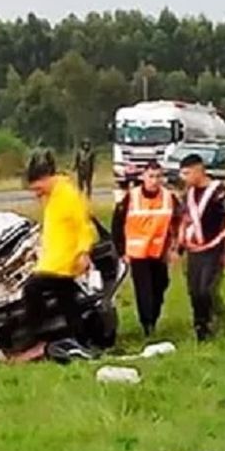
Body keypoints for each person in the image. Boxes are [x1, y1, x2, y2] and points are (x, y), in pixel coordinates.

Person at [17, 149, 96, 359]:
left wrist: (84, 253)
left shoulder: (68, 195)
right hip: (54, 259)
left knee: (32, 289)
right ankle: (79, 340)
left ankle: (36, 333)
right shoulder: (51, 196)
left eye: (37, 187)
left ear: (46, 178)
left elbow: (83, 225)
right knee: (68, 302)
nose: (35, 192)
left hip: (61, 262)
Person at [111, 164, 182, 337]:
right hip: (138, 253)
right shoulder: (131, 197)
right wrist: (121, 252)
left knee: (161, 285)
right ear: (143, 177)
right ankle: (147, 325)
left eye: (158, 176)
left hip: (160, 252)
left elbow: (179, 223)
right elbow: (117, 225)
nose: (154, 181)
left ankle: (153, 317)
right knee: (144, 290)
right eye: (151, 176)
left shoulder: (169, 198)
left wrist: (176, 249)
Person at [178, 153, 225, 341]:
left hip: (215, 247)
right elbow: (185, 219)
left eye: (187, 173)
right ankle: (201, 327)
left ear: (199, 171)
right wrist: (179, 242)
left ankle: (216, 320)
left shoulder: (220, 191)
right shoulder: (187, 194)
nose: (184, 178)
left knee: (207, 289)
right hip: (195, 249)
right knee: (194, 291)